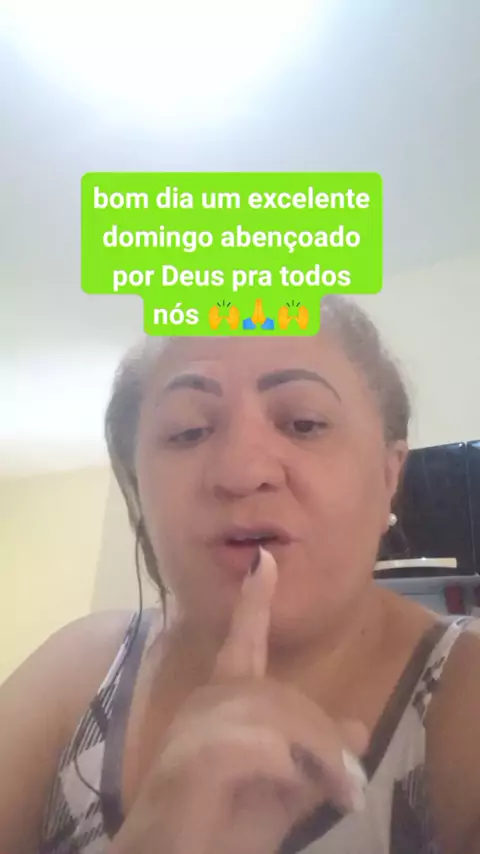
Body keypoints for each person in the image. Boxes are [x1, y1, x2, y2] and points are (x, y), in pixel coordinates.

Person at [1, 295, 480, 854]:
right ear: (137, 491)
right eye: (187, 431)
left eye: (304, 424)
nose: (241, 471)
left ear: (388, 476)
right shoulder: (75, 672)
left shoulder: (465, 692)